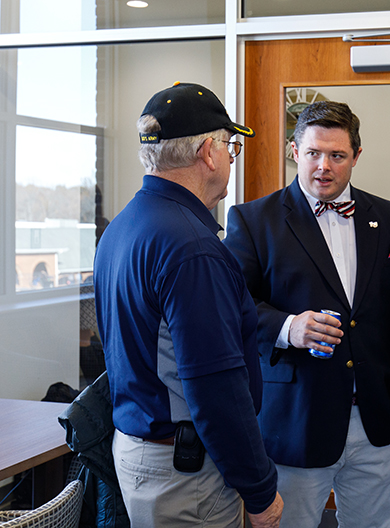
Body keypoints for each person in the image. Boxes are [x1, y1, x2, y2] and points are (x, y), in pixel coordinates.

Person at [223, 100, 390, 528]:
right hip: (296, 419)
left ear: (356, 157)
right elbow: (234, 306)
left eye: (337, 155)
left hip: (379, 420)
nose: (324, 166)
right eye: (314, 153)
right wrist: (288, 328)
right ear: (294, 151)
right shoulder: (252, 220)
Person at [93, 82, 283, 528]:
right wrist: (259, 491)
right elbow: (214, 386)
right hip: (185, 474)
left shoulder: (124, 227)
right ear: (209, 153)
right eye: (231, 147)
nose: (232, 158)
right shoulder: (191, 247)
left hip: (144, 452)